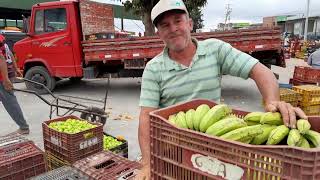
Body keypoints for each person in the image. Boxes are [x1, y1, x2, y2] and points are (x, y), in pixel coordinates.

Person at [136, 0, 308, 179]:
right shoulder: (153, 69)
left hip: (216, 141)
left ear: (190, 23)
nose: (173, 28)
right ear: (159, 34)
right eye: (165, 25)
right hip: (174, 150)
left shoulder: (215, 50)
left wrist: (272, 102)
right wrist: (147, 164)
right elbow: (146, 117)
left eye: (178, 21)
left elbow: (260, 72)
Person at [0, 34, 29, 135]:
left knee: (9, 102)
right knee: (9, 100)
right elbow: (9, 53)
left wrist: (5, 79)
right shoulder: (1, 38)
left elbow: (1, 59)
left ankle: (24, 127)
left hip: (2, 76)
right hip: (7, 73)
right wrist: (16, 68)